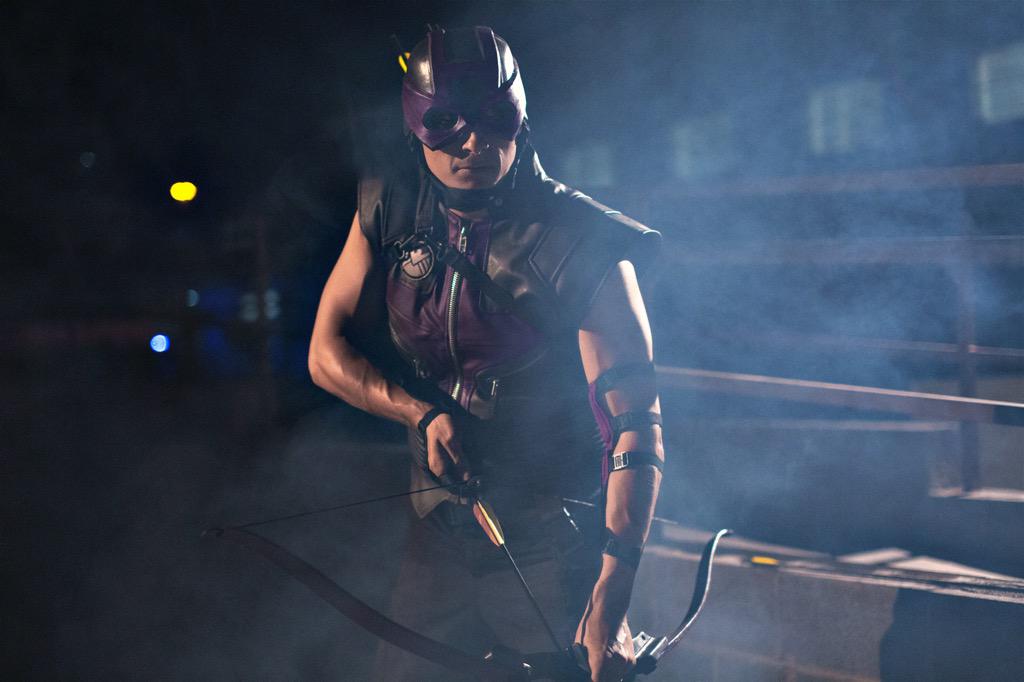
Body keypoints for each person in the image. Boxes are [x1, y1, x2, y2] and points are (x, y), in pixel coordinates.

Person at [308, 25, 664, 682]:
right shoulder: (390, 203)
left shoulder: (583, 242)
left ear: (520, 116)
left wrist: (611, 598)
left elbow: (636, 431)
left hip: (550, 537)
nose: (473, 142)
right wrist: (420, 413)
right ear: (417, 122)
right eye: (447, 121)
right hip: (439, 524)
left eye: (495, 118)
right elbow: (324, 352)